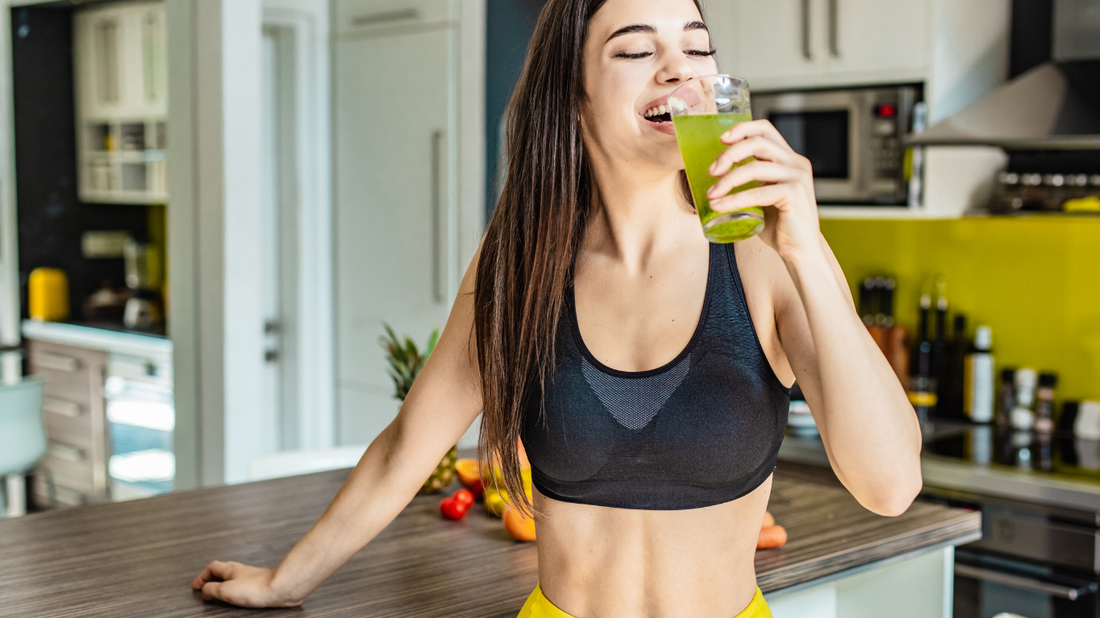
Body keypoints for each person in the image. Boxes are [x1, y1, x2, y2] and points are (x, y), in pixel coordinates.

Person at [190, 0, 923, 615]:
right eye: (637, 50)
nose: (679, 68)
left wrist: (809, 251)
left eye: (696, 48)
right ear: (573, 93)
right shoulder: (523, 262)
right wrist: (287, 580)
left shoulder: (768, 258)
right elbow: (406, 446)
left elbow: (890, 487)